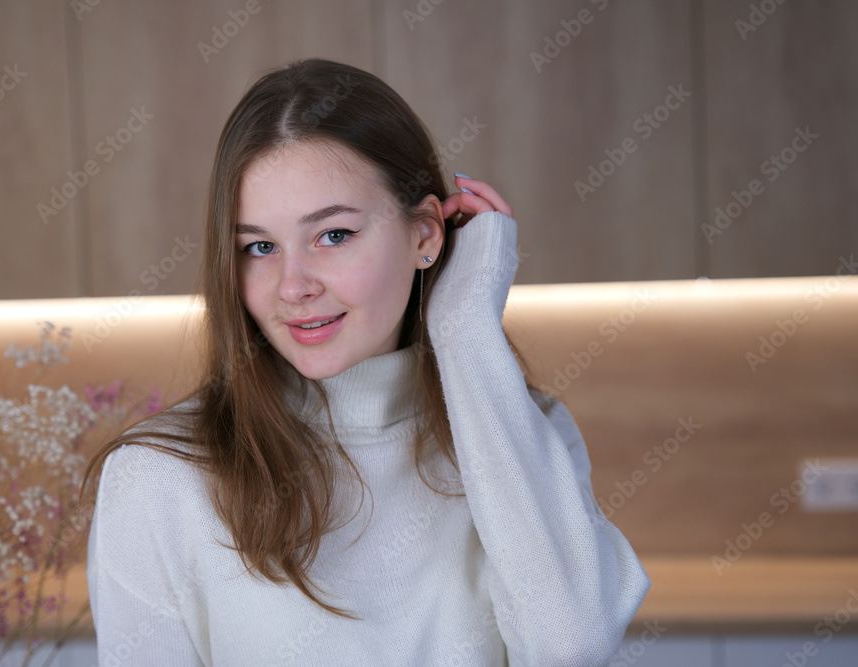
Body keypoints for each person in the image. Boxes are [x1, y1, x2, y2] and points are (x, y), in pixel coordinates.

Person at [81, 57, 651, 666]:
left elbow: (573, 644)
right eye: (260, 247)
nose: (292, 286)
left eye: (334, 235)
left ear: (425, 235)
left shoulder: (525, 434)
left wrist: (466, 333)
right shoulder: (159, 479)